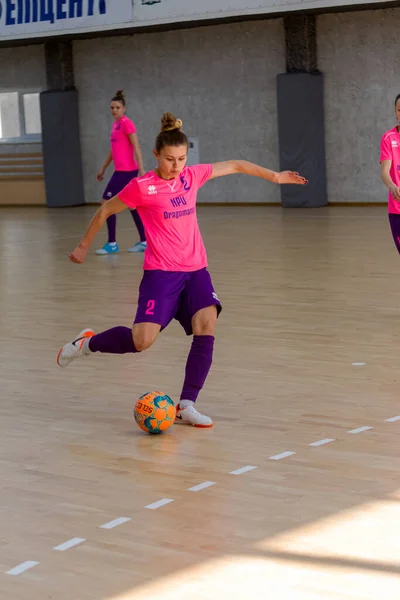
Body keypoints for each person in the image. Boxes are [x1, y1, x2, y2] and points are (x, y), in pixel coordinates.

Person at [57, 112, 307, 427]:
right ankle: (87, 344)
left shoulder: (191, 176)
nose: (176, 166)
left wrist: (275, 177)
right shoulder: (142, 187)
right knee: (141, 341)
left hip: (195, 270)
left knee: (207, 324)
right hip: (161, 274)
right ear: (156, 156)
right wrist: (83, 246)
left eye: (182, 159)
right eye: (170, 159)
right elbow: (106, 209)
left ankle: (186, 404)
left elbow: (235, 165)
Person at [96, 90, 147, 254]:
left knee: (106, 203)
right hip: (119, 171)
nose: (114, 110)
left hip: (127, 171)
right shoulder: (115, 125)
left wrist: (142, 169)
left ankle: (112, 243)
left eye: (117, 107)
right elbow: (114, 151)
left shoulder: (127, 123)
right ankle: (144, 241)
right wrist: (103, 168)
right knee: (132, 206)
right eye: (112, 108)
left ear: (124, 108)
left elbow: (136, 147)